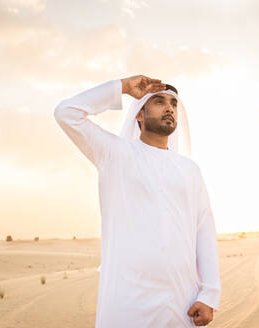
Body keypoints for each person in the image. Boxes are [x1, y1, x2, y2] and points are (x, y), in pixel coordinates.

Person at [54, 75, 221, 327]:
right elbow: (66, 112)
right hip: (126, 304)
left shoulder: (190, 169)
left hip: (181, 303)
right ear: (139, 115)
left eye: (173, 104)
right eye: (159, 101)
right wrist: (121, 87)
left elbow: (204, 232)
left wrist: (209, 294)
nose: (169, 108)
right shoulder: (115, 154)